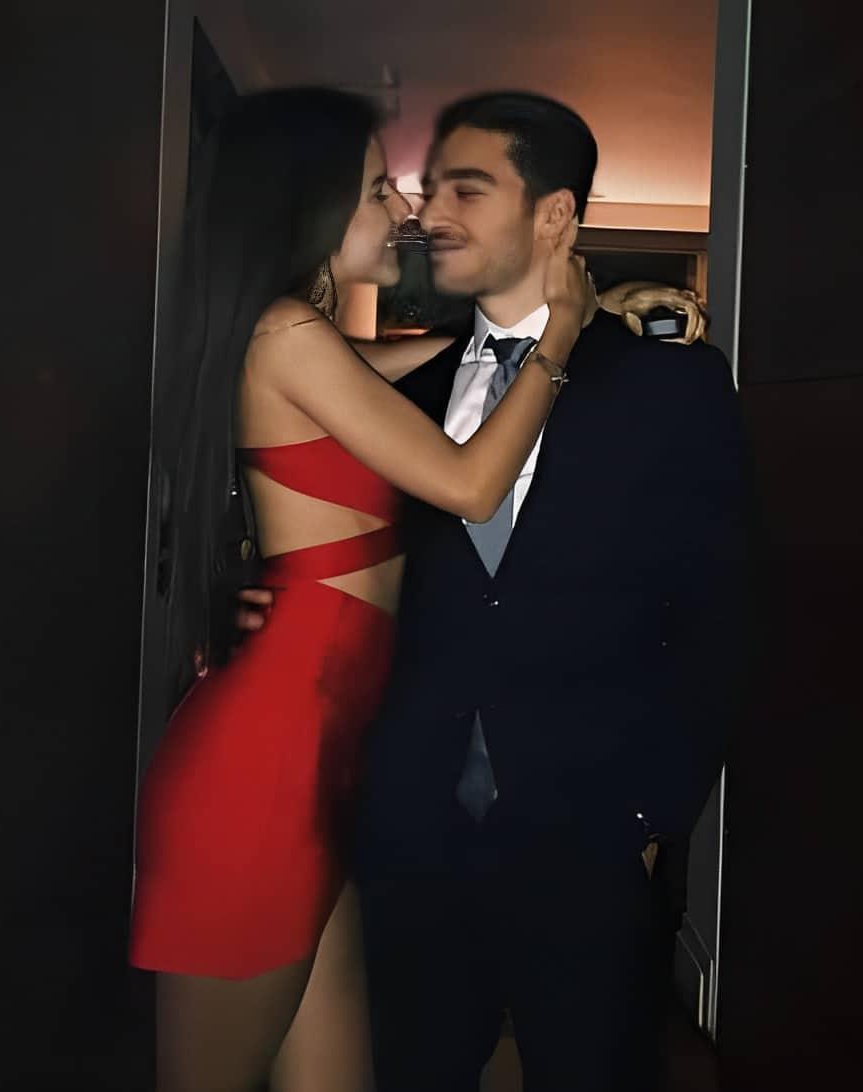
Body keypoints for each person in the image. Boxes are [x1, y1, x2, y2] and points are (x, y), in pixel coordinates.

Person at [239, 91, 752, 1091]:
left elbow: (719, 612)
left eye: (464, 190)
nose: (428, 213)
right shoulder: (389, 387)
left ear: (554, 214)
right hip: (409, 827)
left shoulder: (670, 384)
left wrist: (655, 816)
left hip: (590, 830)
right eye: (425, 188)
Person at [128, 87, 593, 1092]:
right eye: (380, 189)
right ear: (312, 203)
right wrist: (559, 338)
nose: (404, 210)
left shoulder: (307, 343)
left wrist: (519, 326)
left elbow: (416, 361)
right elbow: (468, 486)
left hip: (316, 760)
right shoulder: (285, 335)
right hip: (262, 767)